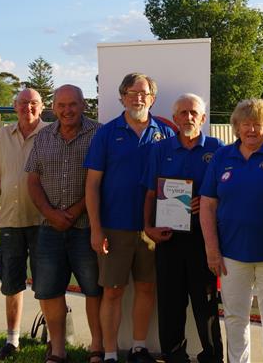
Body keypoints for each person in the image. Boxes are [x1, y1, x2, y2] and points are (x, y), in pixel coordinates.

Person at [85, 73, 175, 363]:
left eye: (144, 93)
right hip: (114, 227)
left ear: (153, 98)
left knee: (147, 289)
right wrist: (96, 230)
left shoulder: (166, 133)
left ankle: (138, 347)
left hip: (152, 229)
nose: (138, 98)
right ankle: (110, 353)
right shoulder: (107, 133)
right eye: (131, 93)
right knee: (112, 292)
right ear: (122, 97)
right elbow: (92, 185)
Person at [199, 98, 263, 363]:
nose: (251, 130)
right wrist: (212, 249)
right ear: (236, 127)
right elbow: (207, 205)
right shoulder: (222, 156)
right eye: (246, 124)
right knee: (234, 318)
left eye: (258, 124)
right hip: (231, 255)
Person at [142, 94, 224, 363]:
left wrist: (210, 202)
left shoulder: (218, 149)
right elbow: (152, 194)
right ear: (175, 118)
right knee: (170, 302)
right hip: (169, 237)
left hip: (204, 238)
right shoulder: (159, 149)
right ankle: (173, 355)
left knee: (206, 303)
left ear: (203, 117)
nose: (188, 117)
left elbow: (228, 192)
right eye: (183, 113)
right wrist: (148, 227)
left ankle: (212, 356)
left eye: (194, 113)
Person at [25, 84, 103, 363]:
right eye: (61, 105)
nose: (67, 110)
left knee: (95, 290)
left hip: (86, 228)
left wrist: (71, 211)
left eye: (73, 104)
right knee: (48, 290)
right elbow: (32, 179)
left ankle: (97, 347)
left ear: (84, 105)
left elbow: (103, 180)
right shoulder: (43, 136)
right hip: (49, 229)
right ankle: (57, 349)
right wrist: (50, 212)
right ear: (53, 107)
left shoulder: (99, 133)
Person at [0, 89, 48, 361]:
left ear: (42, 107)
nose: (27, 108)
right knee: (11, 283)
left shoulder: (51, 134)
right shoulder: (2, 136)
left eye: (33, 103)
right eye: (22, 103)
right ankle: (12, 340)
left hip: (44, 222)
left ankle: (54, 339)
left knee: (47, 284)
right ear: (14, 107)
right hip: (10, 221)